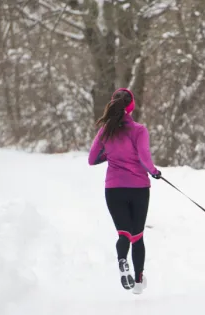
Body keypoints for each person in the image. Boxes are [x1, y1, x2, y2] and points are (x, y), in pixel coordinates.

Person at [88, 87, 161, 295]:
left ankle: (122, 261)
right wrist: (154, 172)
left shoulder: (105, 131)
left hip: (114, 190)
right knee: (137, 236)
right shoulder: (139, 130)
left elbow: (92, 159)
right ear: (132, 106)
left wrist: (110, 156)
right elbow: (144, 158)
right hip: (138, 189)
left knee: (124, 233)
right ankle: (138, 283)